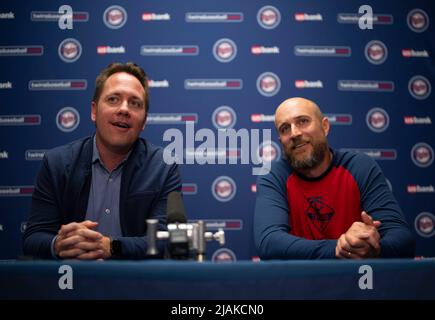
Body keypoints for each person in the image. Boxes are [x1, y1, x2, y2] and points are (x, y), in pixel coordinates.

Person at [23, 62, 182, 260]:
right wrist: (58, 244)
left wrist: (112, 246)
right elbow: (33, 238)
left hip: (135, 286)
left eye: (135, 103)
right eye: (113, 99)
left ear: (144, 121)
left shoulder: (163, 166)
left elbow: (166, 240)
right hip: (69, 282)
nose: (124, 109)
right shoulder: (56, 163)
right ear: (93, 111)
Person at [254, 97, 415, 259]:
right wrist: (341, 247)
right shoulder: (274, 176)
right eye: (284, 129)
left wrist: (373, 248)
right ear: (280, 140)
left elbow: (401, 237)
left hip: (358, 281)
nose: (294, 133)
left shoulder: (359, 167)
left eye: (303, 121)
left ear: (325, 126)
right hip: (299, 282)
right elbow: (269, 242)